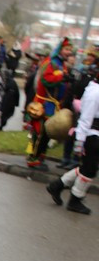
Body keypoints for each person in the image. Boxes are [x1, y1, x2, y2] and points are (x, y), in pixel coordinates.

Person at [46, 62, 99, 214]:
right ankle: (75, 199)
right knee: (89, 170)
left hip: (94, 136)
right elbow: (85, 119)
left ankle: (57, 185)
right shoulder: (95, 93)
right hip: (91, 136)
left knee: (87, 167)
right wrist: (79, 143)